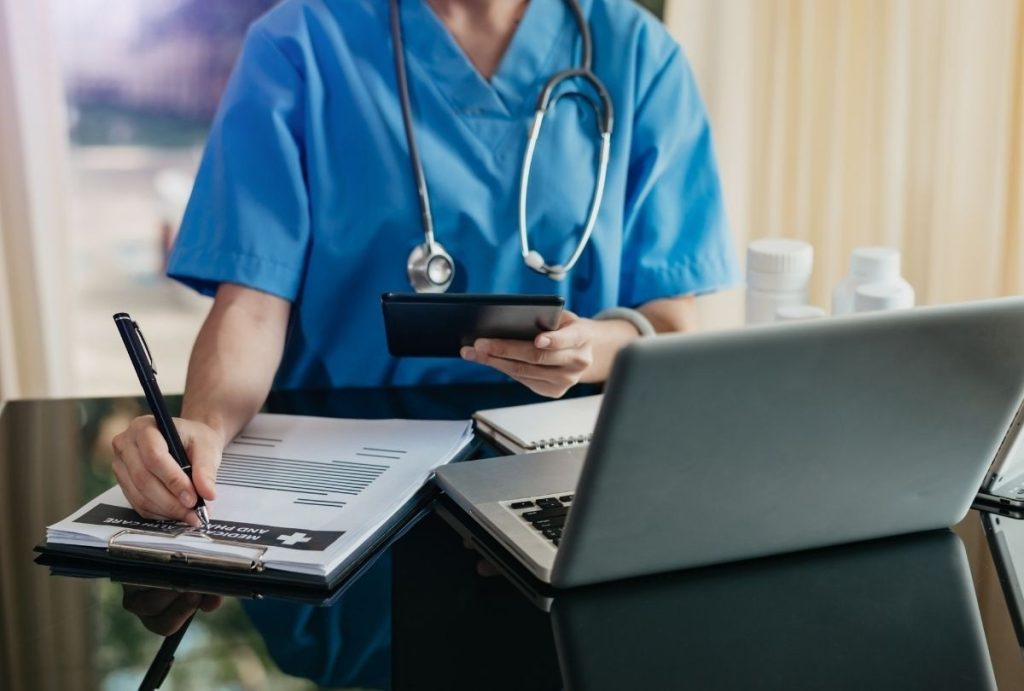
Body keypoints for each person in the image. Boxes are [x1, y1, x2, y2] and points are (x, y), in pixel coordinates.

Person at [112, 0, 739, 525]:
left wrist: (589, 350)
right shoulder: (300, 41)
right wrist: (203, 431)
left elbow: (668, 321)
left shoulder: (638, 53)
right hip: (338, 474)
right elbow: (251, 305)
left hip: (566, 477)